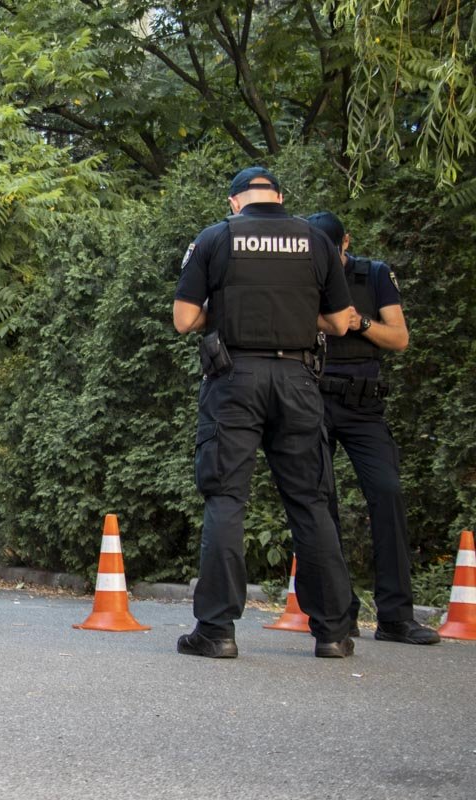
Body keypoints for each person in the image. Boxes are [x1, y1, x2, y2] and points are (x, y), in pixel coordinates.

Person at [172, 166, 356, 658]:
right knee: (310, 502)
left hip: (234, 380)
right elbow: (340, 322)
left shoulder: (216, 238)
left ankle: (216, 632)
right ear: (279, 197)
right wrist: (293, 310)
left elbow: (185, 318)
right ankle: (334, 633)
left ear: (235, 202)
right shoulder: (316, 240)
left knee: (226, 499)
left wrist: (232, 307)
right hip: (298, 381)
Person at [304, 211, 439, 645]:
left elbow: (399, 338)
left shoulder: (374, 274)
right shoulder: (300, 275)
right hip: (314, 399)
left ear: (346, 244)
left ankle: (396, 617)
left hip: (363, 405)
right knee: (320, 505)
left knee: (387, 493)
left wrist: (357, 321)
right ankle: (337, 616)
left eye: (332, 252)